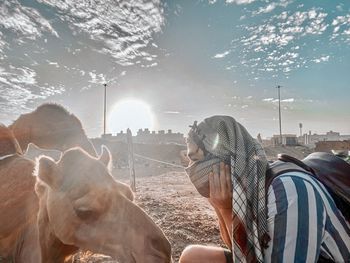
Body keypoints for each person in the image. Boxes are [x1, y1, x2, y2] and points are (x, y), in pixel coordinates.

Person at [179, 115, 350, 263]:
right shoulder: (250, 186)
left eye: (196, 160)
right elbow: (239, 250)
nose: (192, 169)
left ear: (225, 159)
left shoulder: (290, 192)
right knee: (194, 256)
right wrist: (222, 208)